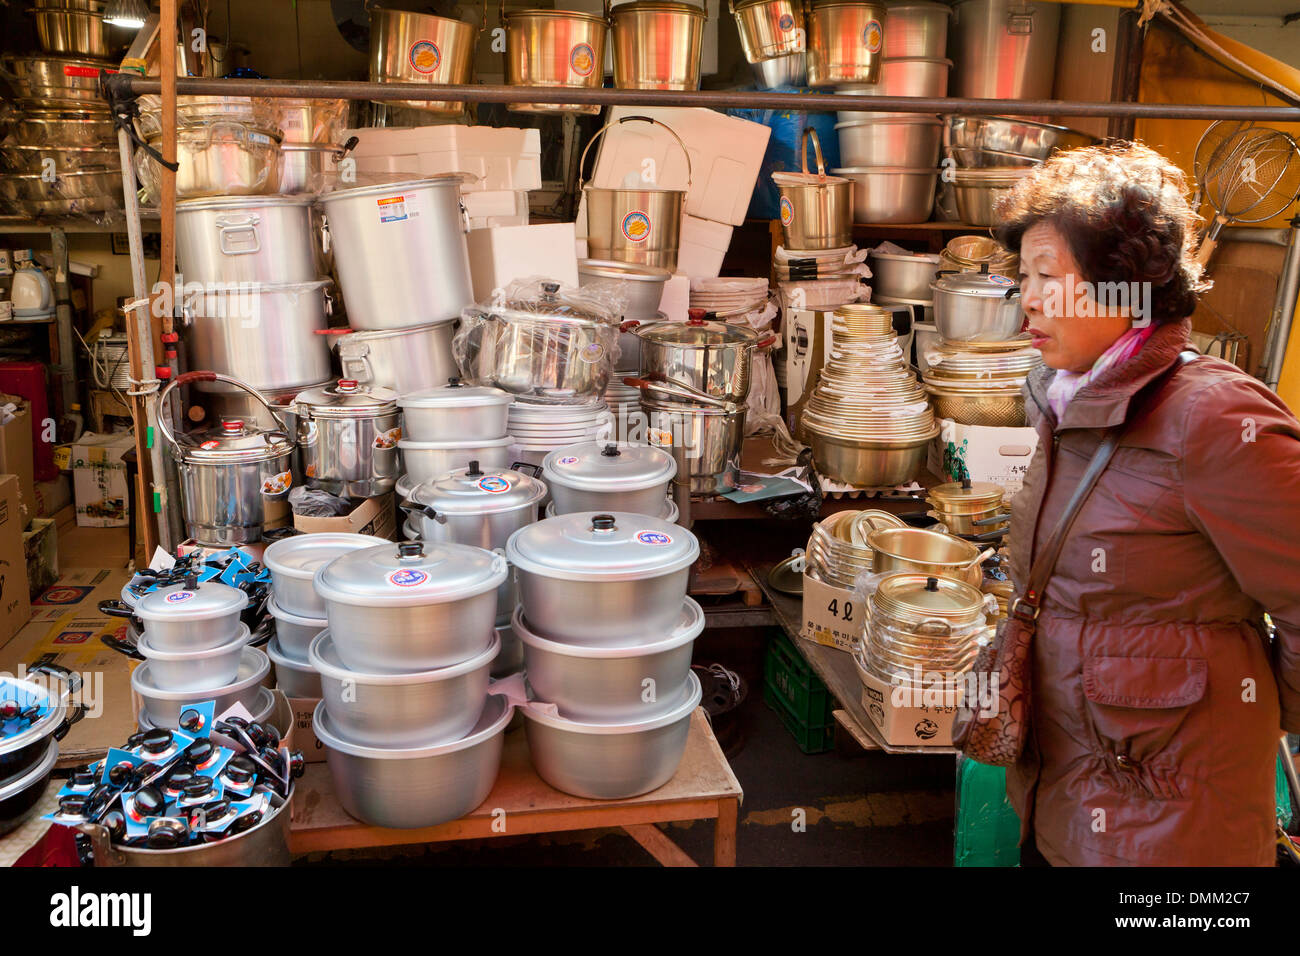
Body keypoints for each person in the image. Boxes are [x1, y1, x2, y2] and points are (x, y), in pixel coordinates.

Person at [992, 142, 1300, 866]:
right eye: (1022, 277)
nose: (1027, 300)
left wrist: (1252, 717)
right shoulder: (1070, 400)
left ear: (1123, 285)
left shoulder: (1215, 418)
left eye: (1047, 277)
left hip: (1175, 831)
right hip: (1064, 800)